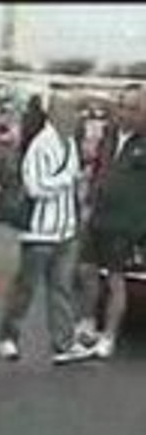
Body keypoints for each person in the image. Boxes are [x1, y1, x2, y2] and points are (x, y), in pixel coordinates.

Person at [0, 95, 96, 365]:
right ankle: (7, 337)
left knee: (61, 289)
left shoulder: (71, 144)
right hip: (40, 232)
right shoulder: (41, 145)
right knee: (25, 289)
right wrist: (68, 179)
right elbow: (35, 187)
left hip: (66, 231)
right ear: (55, 114)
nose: (76, 116)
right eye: (71, 110)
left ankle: (62, 344)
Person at [75, 87, 146, 358]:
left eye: (132, 108)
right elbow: (97, 171)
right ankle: (88, 324)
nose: (125, 113)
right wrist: (87, 202)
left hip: (125, 224)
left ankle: (109, 336)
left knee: (116, 280)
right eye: (123, 107)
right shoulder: (109, 136)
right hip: (97, 216)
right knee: (86, 271)